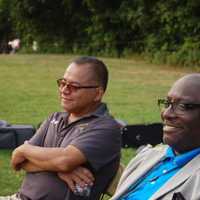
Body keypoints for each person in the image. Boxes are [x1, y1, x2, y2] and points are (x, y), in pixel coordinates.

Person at [0, 56, 121, 200]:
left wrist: (24, 149)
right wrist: (58, 169)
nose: (64, 90)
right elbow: (19, 161)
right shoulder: (54, 118)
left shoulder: (106, 128)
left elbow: (64, 161)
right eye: (63, 83)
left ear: (97, 93)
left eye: (74, 86)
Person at [67, 73, 200, 200]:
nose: (166, 113)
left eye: (183, 106)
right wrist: (62, 169)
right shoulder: (149, 156)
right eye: (167, 103)